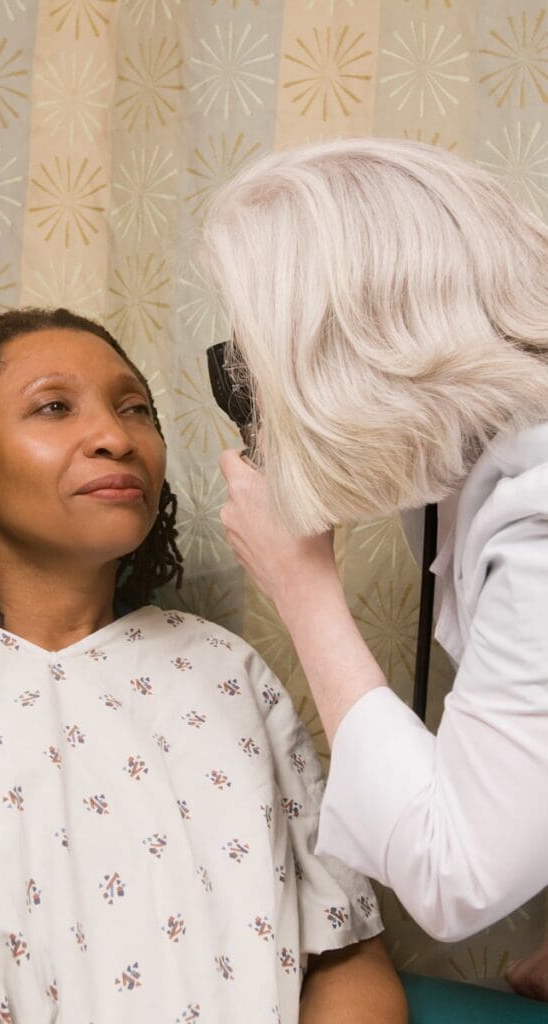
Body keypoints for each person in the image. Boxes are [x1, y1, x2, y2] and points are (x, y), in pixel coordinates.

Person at [0, 308, 406, 1023]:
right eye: (54, 407)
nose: (116, 439)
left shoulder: (225, 671)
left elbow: (349, 956)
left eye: (136, 410)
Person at [202, 139, 548, 990]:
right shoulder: (457, 476)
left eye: (251, 363)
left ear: (345, 352)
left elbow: (456, 874)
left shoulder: (536, 511)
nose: (254, 393)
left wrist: (301, 584)